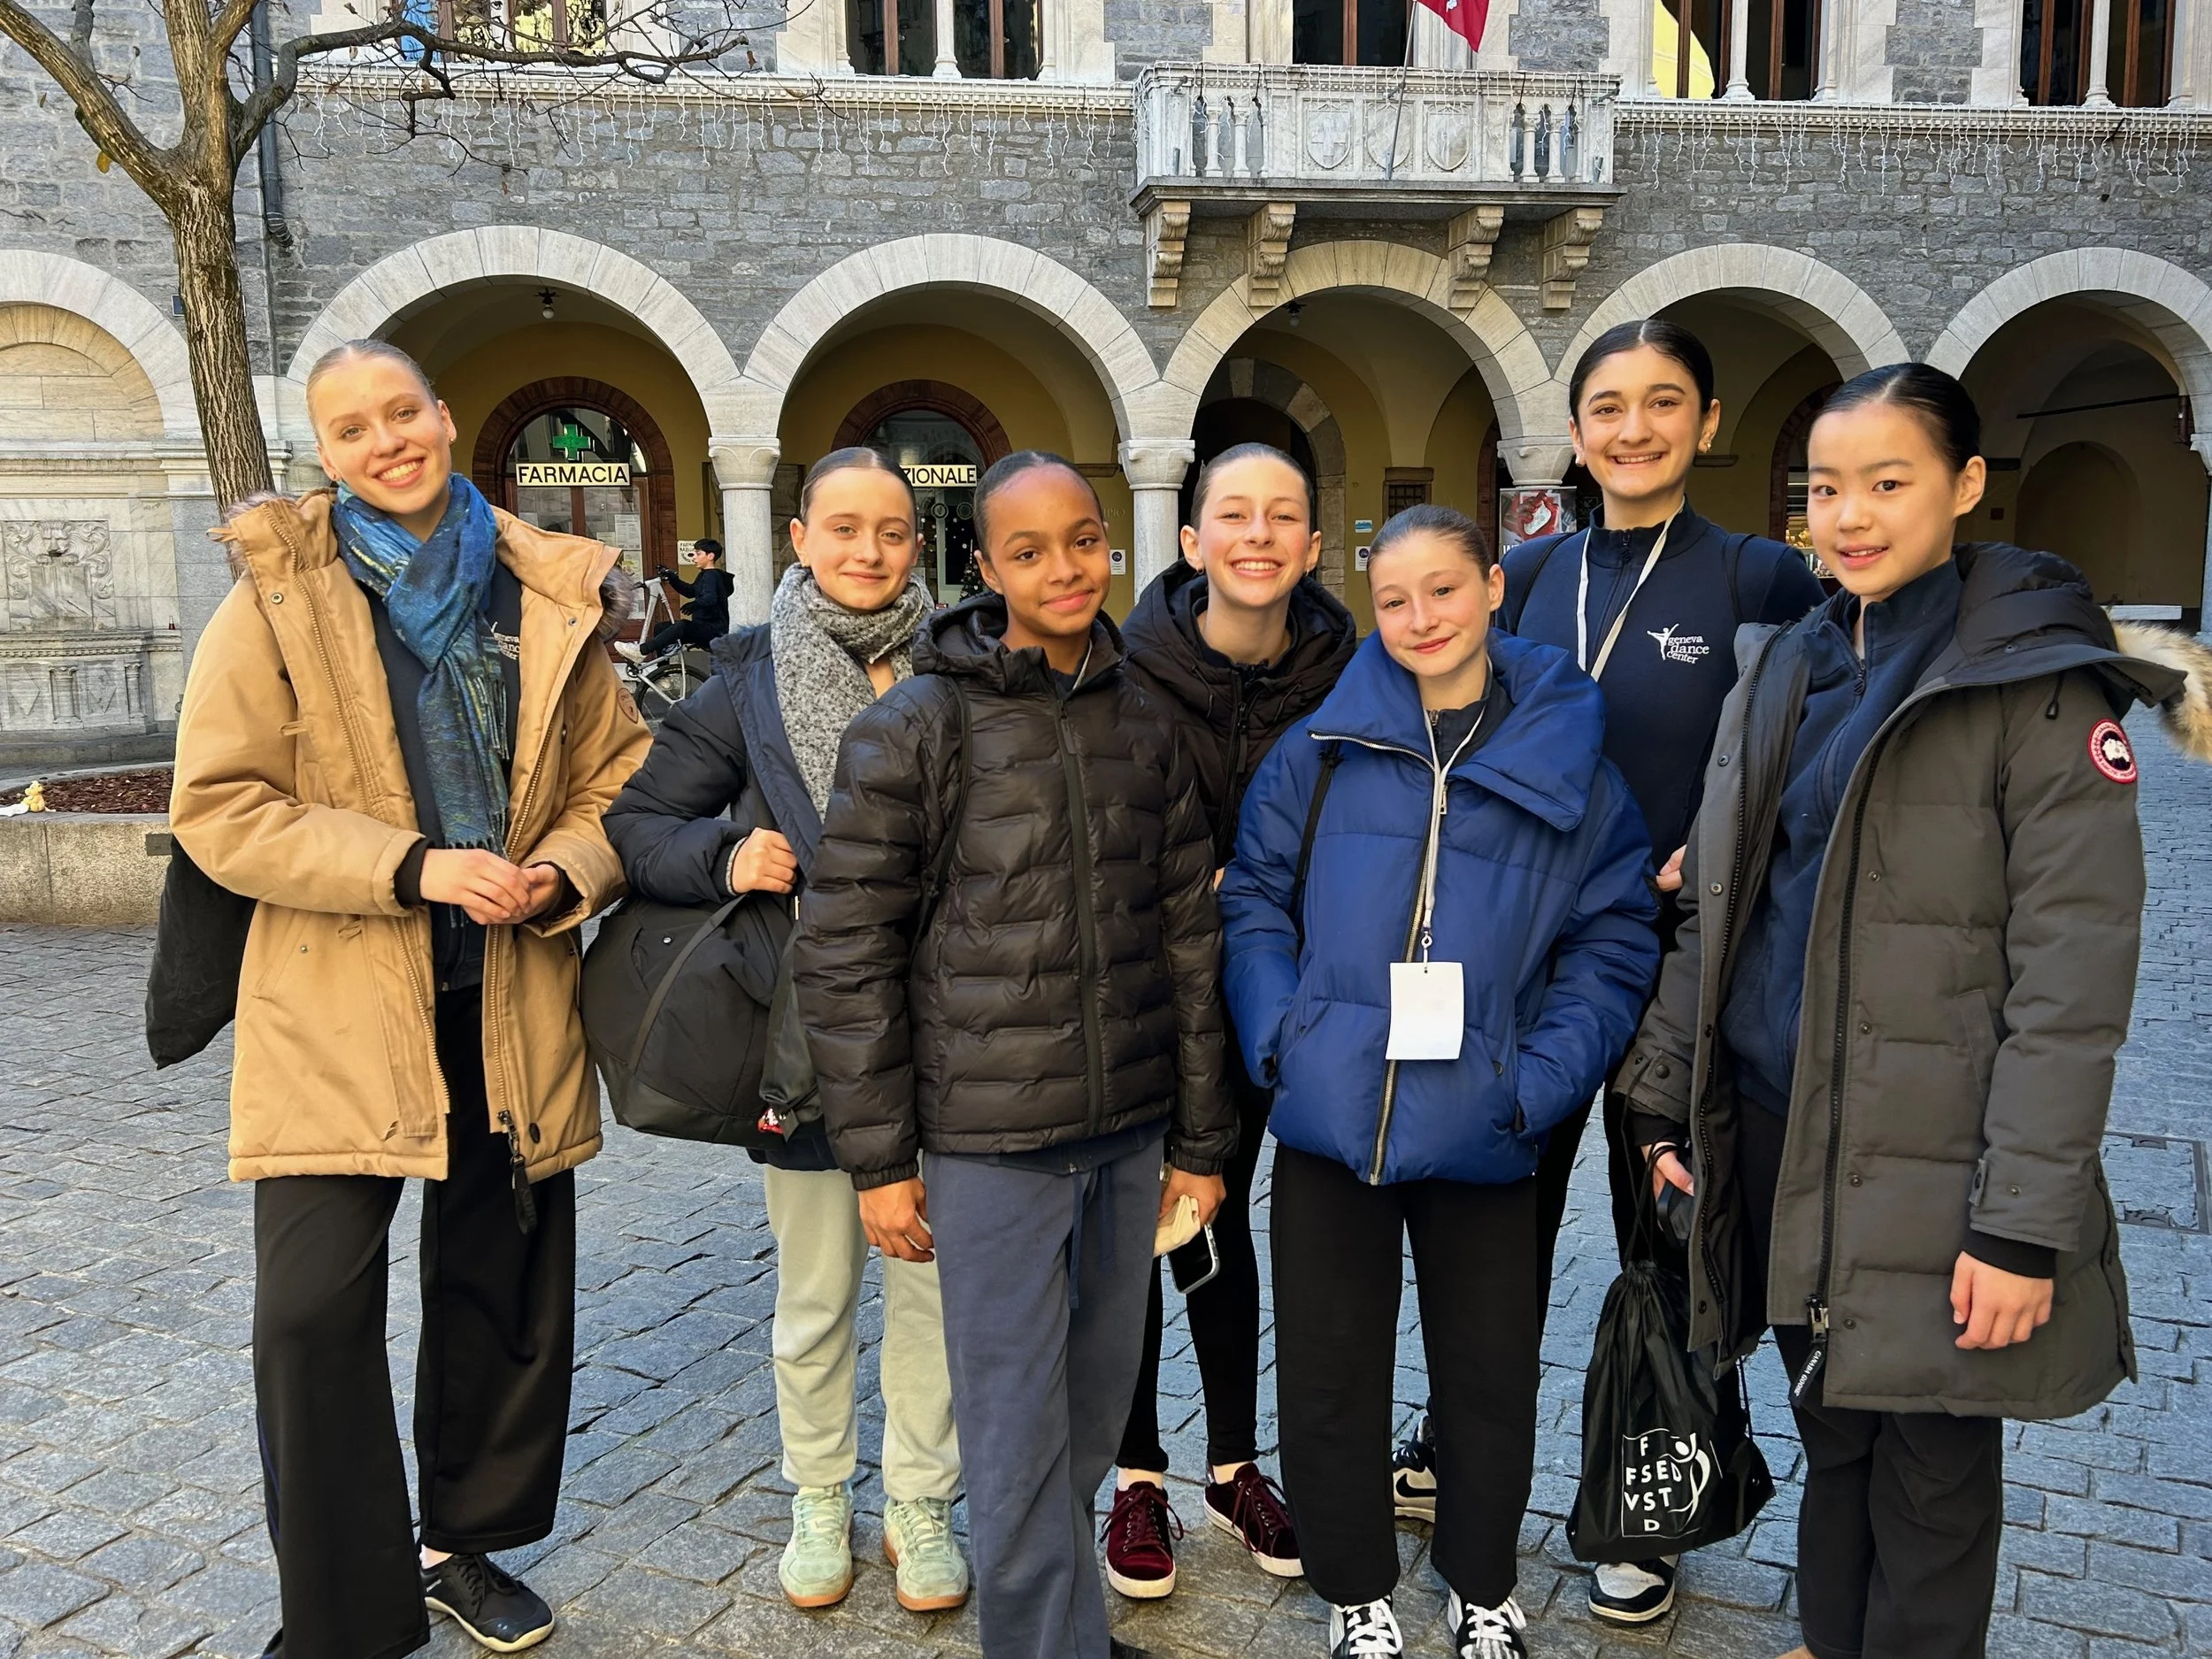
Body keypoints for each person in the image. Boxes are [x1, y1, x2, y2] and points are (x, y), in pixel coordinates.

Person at [1615, 363, 2193, 1659]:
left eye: (1888, 481)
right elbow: (1717, 902)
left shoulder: (2036, 687)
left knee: (1930, 1464)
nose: (1852, 515)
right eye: (1826, 488)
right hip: (1778, 1127)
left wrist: (2022, 1225)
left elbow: (2072, 984)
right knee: (1833, 1424)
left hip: (1940, 1159)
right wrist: (1659, 1096)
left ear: (1965, 484)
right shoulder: (1784, 664)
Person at [170, 338, 649, 1659]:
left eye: (402, 412)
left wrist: (564, 871)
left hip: (505, 988)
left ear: (443, 417)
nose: (386, 441)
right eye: (352, 427)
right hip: (337, 997)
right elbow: (220, 803)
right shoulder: (279, 592)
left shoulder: (541, 586)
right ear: (324, 451)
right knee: (310, 1309)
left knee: (500, 1283)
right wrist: (411, 864)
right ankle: (341, 1613)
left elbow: (620, 778)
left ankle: (460, 1546)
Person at [1394, 318, 1826, 1625]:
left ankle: (1653, 1496)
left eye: (1663, 402)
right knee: (1493, 1224)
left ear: (1706, 422)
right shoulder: (1525, 574)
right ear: (1574, 431)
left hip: (1677, 969)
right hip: (1524, 963)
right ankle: (1458, 1433)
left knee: (1664, 1239)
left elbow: (1819, 751)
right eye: (1608, 406)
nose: (1633, 429)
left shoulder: (1759, 578)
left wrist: (1730, 838)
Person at [792, 450, 1234, 1659]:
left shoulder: (1147, 721)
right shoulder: (916, 726)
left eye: (1082, 540)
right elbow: (845, 952)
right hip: (988, 1144)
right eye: (1028, 550)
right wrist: (881, 1161)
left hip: (1127, 1132)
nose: (1063, 568)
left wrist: (1201, 1141)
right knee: (1012, 1425)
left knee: (1087, 1414)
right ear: (983, 567)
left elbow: (1191, 941)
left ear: (1111, 545)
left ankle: (1061, 1629)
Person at [1220, 504, 1661, 1659]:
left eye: (1445, 590)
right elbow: (1254, 895)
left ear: (1493, 589)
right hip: (1332, 1115)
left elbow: (1615, 934)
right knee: (1329, 1369)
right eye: (1395, 598)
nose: (1421, 617)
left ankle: (1481, 1580)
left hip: (1485, 1118)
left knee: (1487, 1372)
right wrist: (1282, 1037)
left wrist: (1539, 1079)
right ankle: (1355, 1587)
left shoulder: (1570, 758)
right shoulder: (1321, 749)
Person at [601, 449, 967, 1615]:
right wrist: (725, 854)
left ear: (918, 543)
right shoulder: (747, 678)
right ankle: (819, 1492)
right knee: (815, 1290)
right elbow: (639, 822)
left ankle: (920, 1498)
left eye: (893, 531)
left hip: (950, 1030)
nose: (870, 550)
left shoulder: (961, 663)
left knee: (934, 1287)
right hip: (808, 1035)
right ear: (800, 538)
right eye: (844, 528)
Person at [1103, 442, 1357, 1597]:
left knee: (1220, 1215)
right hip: (1137, 991)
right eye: (1234, 514)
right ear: (1191, 539)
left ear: (1311, 543)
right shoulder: (1126, 669)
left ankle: (1233, 1466)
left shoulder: (1354, 676)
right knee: (1132, 1222)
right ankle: (1136, 1475)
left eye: (1282, 516)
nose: (1258, 534)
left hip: (1268, 994)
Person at [618, 536, 732, 662]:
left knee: (682, 626)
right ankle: (663, 670)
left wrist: (695, 604)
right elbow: (689, 591)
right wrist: (672, 578)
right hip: (702, 628)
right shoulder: (704, 575)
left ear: (710, 556)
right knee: (661, 627)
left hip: (713, 631)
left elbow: (711, 597)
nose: (694, 557)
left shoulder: (712, 575)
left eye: (698, 554)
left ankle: (641, 651)